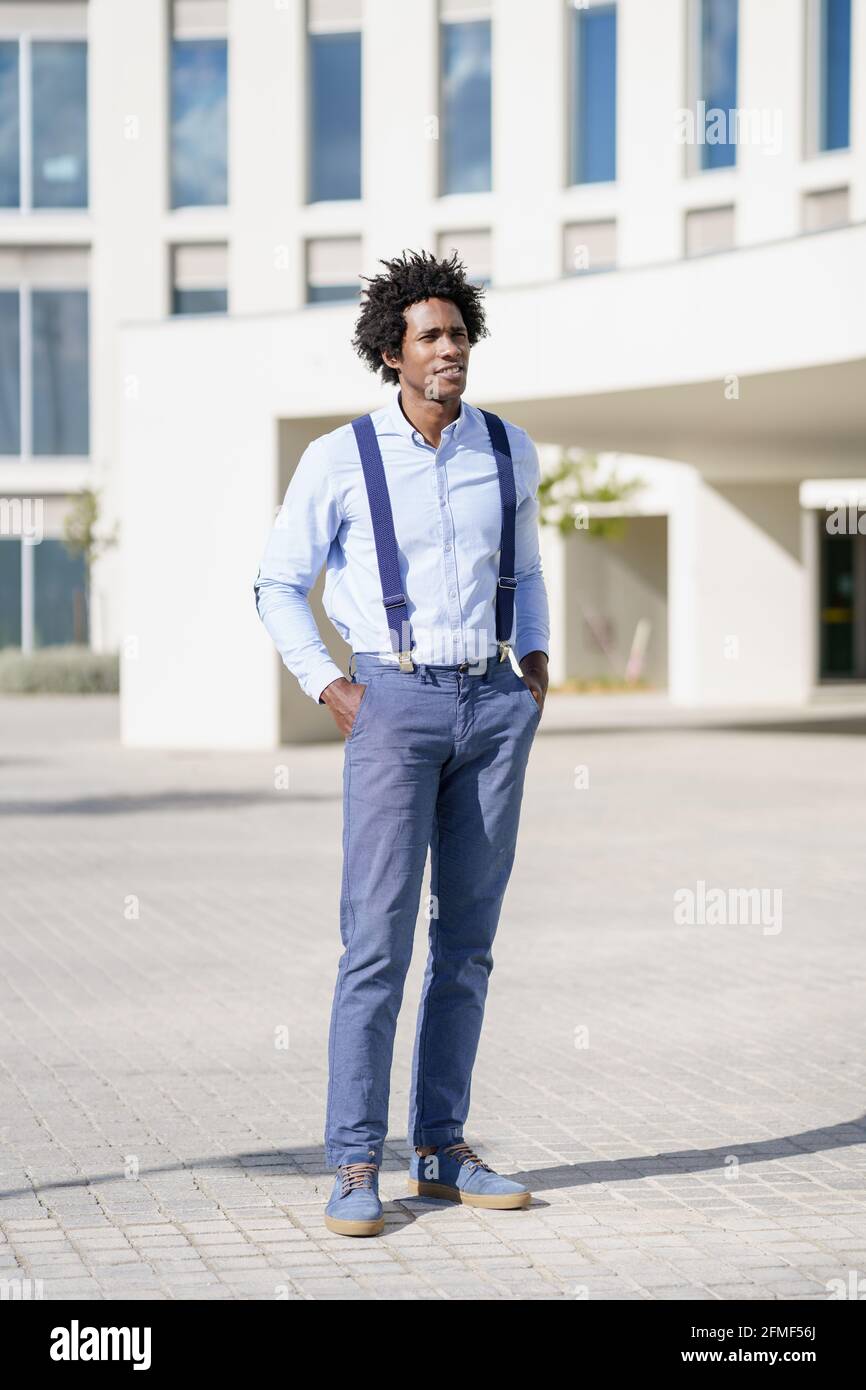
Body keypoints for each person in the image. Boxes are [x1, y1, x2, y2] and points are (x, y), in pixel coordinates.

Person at [253, 249, 550, 1237]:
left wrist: (534, 663)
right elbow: (274, 582)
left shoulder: (507, 450)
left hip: (490, 706)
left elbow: (527, 564)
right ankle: (351, 1162)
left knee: (465, 945)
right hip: (393, 701)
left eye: (458, 332)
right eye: (429, 335)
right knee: (374, 942)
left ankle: (439, 1147)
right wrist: (331, 685)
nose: (448, 348)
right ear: (393, 352)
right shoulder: (340, 458)